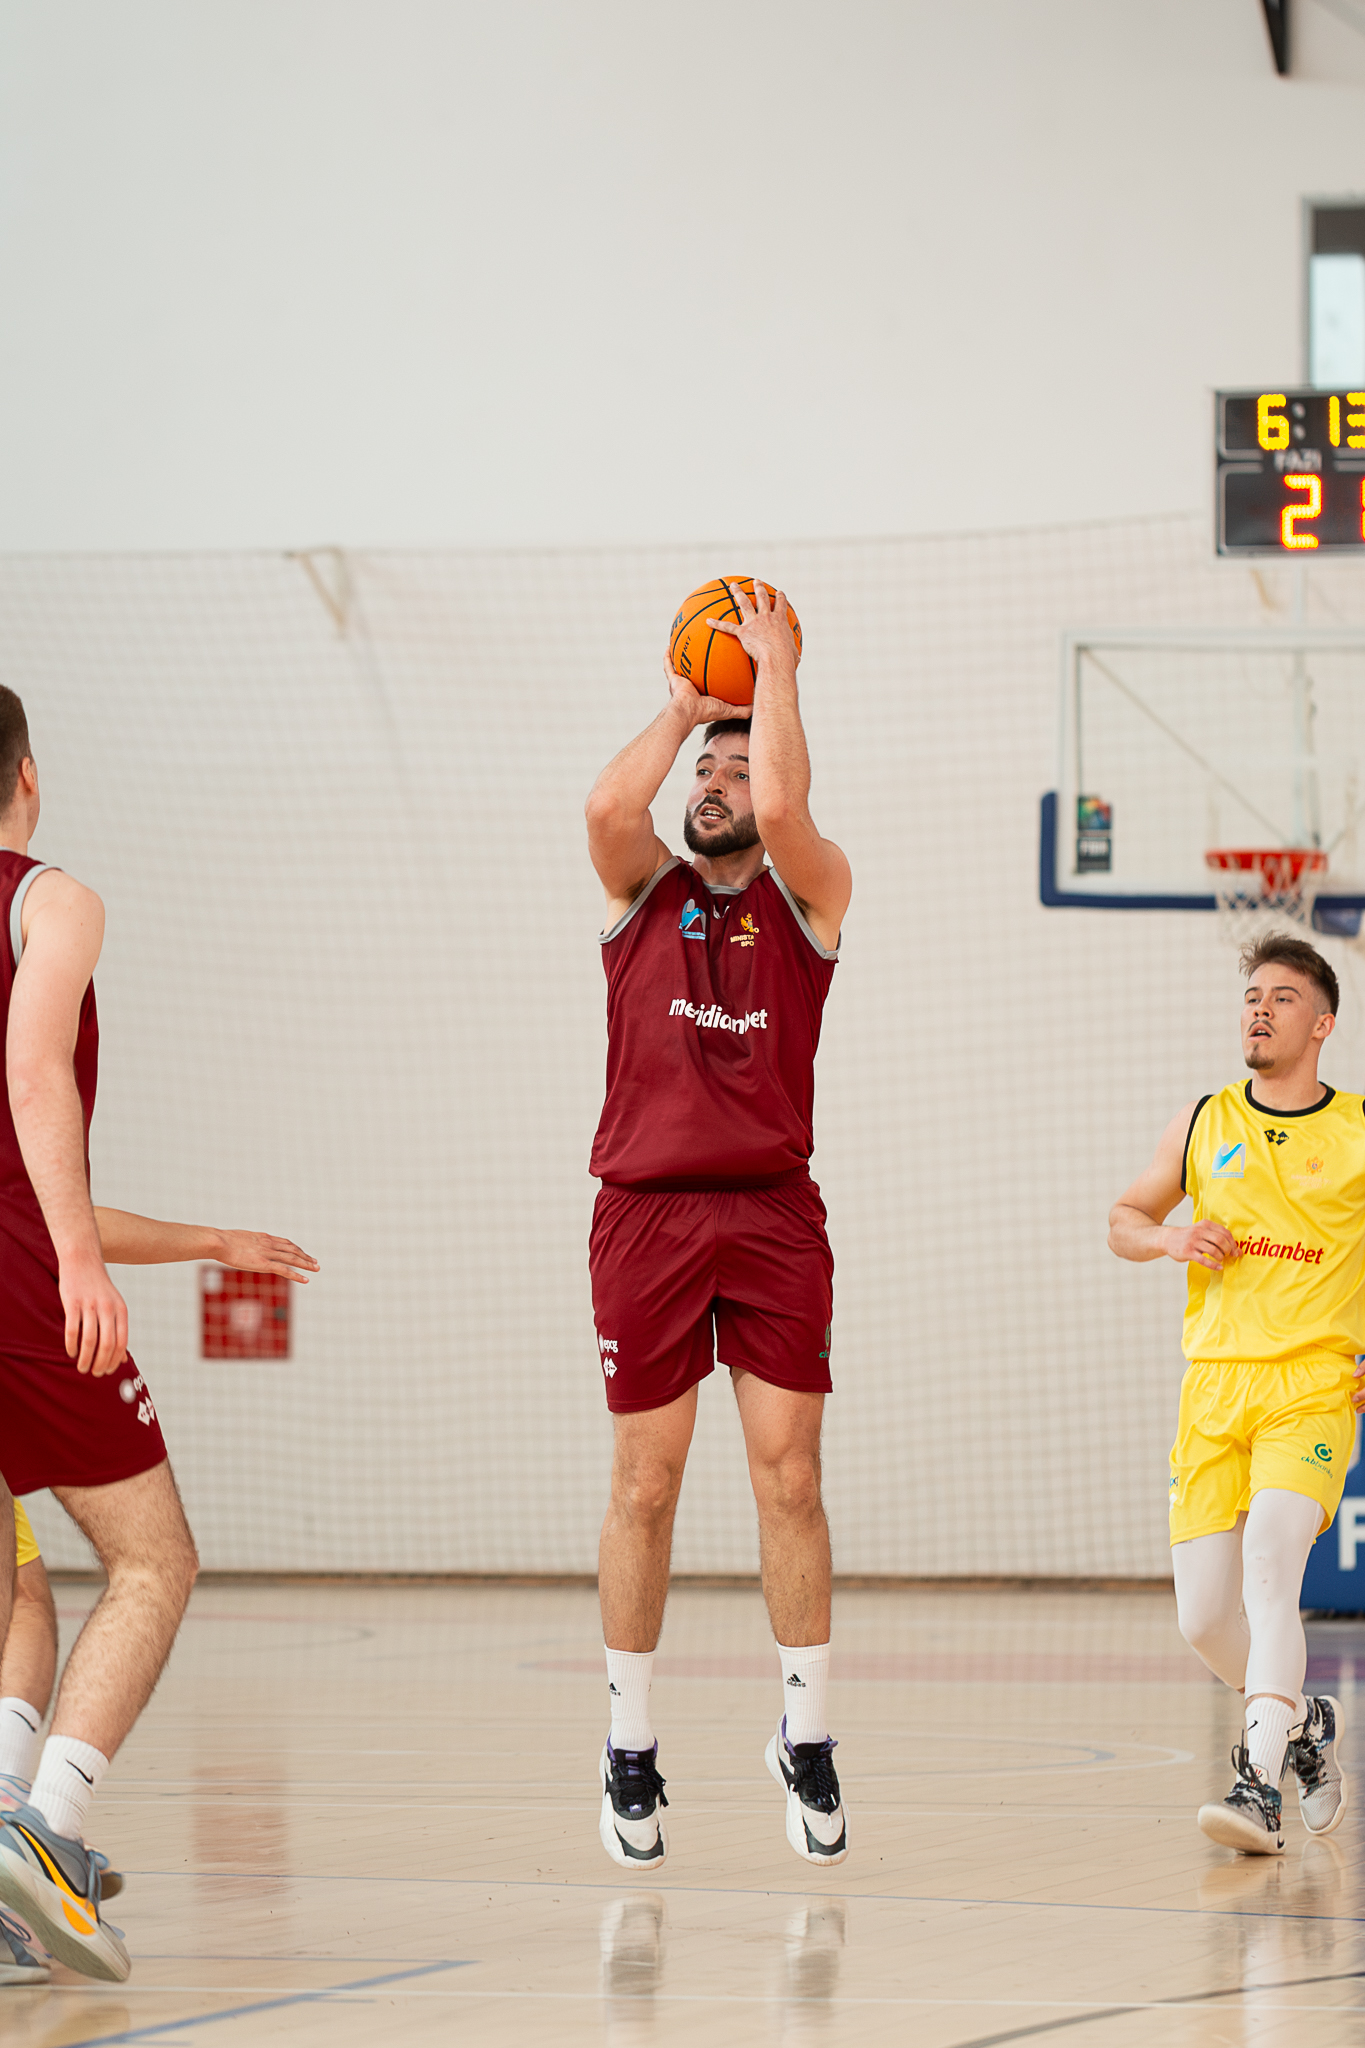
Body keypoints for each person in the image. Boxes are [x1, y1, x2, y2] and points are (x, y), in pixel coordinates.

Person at [0, 684, 317, 1981]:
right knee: (153, 1558)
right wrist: (78, 1259)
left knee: (14, 1588)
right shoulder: (51, 899)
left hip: (23, 1249)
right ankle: (48, 1828)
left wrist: (203, 1238)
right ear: (27, 776)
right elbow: (35, 1083)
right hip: (22, 1283)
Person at [584, 578, 852, 1870]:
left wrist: (775, 670)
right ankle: (629, 1743)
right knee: (647, 1484)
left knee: (789, 1478)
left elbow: (790, 814)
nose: (715, 782)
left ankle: (806, 1729)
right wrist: (685, 706)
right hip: (645, 1216)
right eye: (706, 766)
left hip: (771, 1216)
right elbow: (605, 808)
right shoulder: (642, 890)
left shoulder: (813, 894)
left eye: (737, 767)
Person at [1108, 932, 1360, 1854]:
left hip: (1312, 1385)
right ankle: (1303, 1726)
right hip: (1213, 1390)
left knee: (1269, 1559)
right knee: (1203, 1619)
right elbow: (1123, 1219)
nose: (1259, 1008)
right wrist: (1169, 1239)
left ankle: (1255, 1786)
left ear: (1321, 1024)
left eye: (1281, 998)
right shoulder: (1202, 1121)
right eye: (1251, 995)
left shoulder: (1357, 1130)